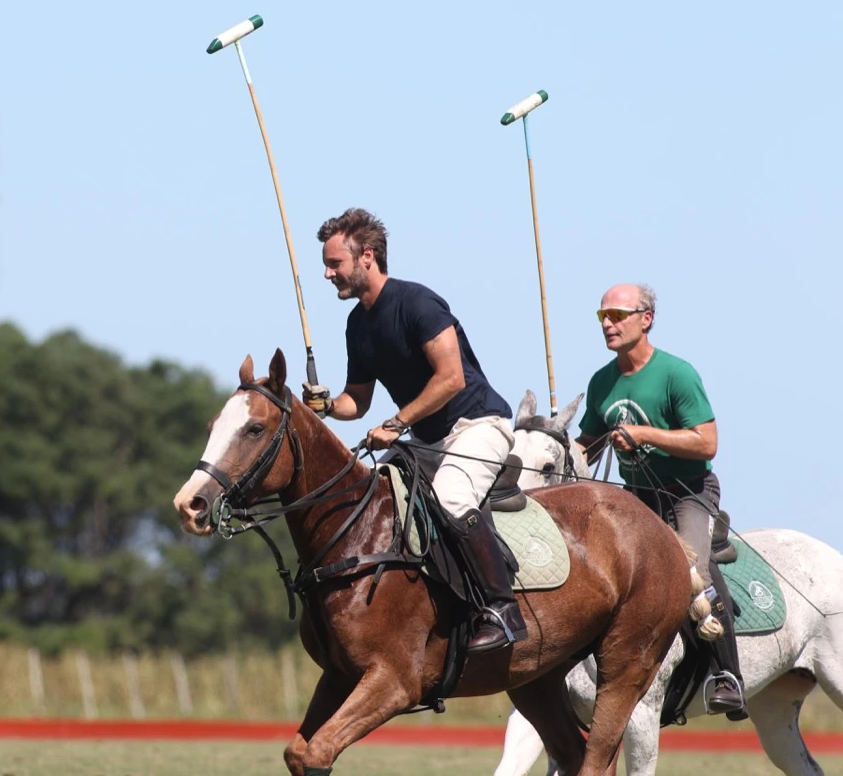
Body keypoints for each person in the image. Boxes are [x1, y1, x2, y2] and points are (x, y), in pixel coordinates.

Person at [302, 208, 524, 654]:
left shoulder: (417, 303)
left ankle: (502, 610)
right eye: (326, 265)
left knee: (452, 498)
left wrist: (396, 422)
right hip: (426, 442)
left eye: (335, 264)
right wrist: (326, 407)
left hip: (476, 425)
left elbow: (451, 378)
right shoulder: (357, 323)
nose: (327, 274)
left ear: (367, 256)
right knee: (375, 504)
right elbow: (356, 401)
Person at [575, 283, 746, 717]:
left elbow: (707, 443)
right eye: (602, 317)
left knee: (694, 569)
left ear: (645, 318)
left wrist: (645, 434)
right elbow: (587, 445)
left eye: (617, 315)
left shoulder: (676, 374)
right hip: (637, 498)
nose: (608, 324)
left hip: (687, 493)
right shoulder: (602, 382)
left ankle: (727, 675)